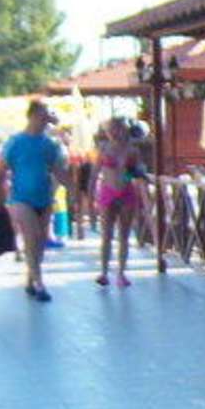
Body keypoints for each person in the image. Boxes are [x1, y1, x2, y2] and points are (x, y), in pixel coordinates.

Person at [0, 100, 67, 300]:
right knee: (31, 237)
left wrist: (71, 190)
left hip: (44, 198)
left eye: (46, 117)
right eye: (42, 117)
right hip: (21, 198)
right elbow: (1, 171)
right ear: (31, 116)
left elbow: (58, 170)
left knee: (40, 242)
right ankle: (40, 284)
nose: (45, 121)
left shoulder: (49, 144)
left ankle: (30, 279)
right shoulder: (15, 142)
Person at [93, 117, 146, 287]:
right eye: (110, 130)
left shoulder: (132, 150)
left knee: (124, 234)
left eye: (117, 129)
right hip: (108, 190)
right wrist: (91, 190)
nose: (114, 133)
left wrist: (129, 172)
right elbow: (96, 171)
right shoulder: (103, 148)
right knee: (106, 234)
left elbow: (137, 172)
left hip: (126, 191)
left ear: (123, 130)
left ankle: (121, 273)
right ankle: (104, 272)